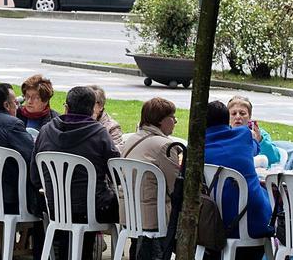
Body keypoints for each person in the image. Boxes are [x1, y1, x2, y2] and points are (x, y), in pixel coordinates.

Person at [30, 86, 120, 260]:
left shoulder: (46, 130)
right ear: (91, 108)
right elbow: (117, 175)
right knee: (121, 206)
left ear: (66, 106)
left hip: (55, 207)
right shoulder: (99, 133)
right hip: (91, 209)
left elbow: (35, 176)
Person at [0, 83, 43, 260]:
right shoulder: (14, 125)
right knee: (47, 204)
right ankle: (43, 254)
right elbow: (33, 156)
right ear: (6, 105)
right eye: (15, 102)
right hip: (14, 201)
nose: (18, 106)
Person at [204, 101, 273, 259]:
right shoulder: (243, 135)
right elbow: (255, 148)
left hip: (211, 221)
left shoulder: (197, 147)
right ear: (226, 119)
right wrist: (255, 139)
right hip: (252, 220)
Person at [119, 98, 181, 260]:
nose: (175, 121)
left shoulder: (130, 139)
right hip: (155, 217)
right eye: (172, 117)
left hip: (129, 214)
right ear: (161, 120)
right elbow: (175, 187)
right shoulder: (165, 146)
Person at [227, 95, 281, 167]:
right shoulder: (224, 133)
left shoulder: (260, 134)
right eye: (233, 114)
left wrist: (260, 140)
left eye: (242, 113)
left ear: (249, 116)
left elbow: (274, 159)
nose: (238, 117)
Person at [90, 84, 124, 149]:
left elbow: (116, 153)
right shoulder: (77, 120)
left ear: (101, 106)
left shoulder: (112, 127)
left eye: (91, 103)